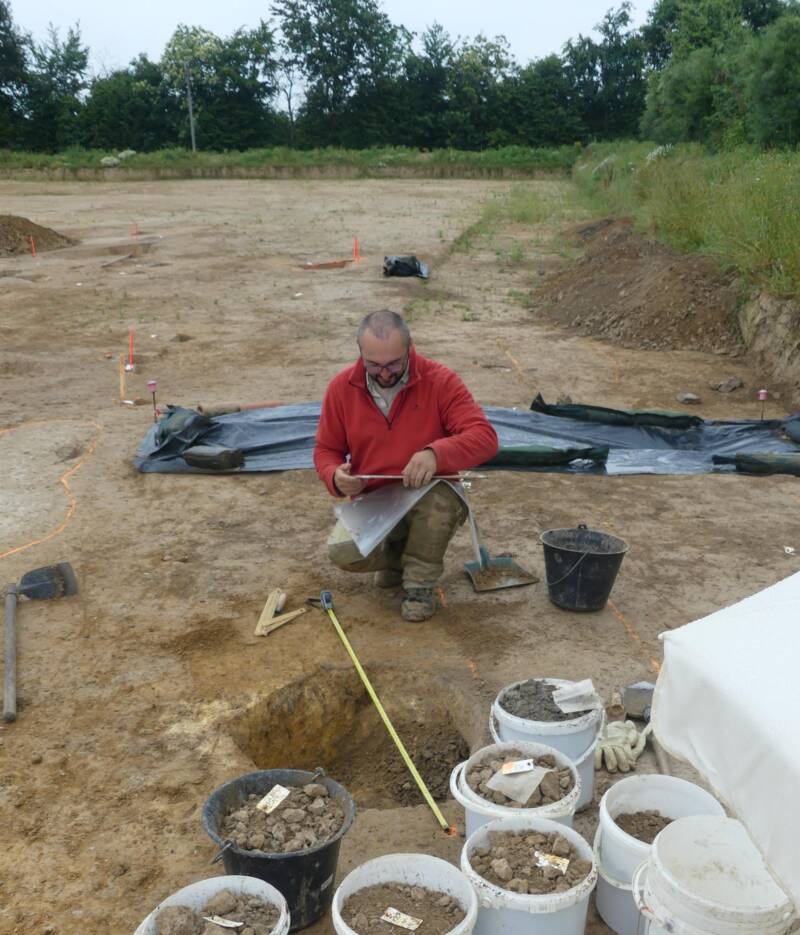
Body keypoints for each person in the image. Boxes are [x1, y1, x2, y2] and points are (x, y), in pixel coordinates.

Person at [314, 310, 498, 621]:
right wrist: (335, 475)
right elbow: (326, 449)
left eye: (394, 363)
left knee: (438, 504)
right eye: (374, 365)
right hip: (376, 501)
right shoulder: (341, 389)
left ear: (409, 347)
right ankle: (397, 563)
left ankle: (419, 585)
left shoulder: (440, 381)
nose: (385, 373)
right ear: (361, 354)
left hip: (431, 493)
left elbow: (485, 438)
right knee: (343, 552)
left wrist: (435, 454)